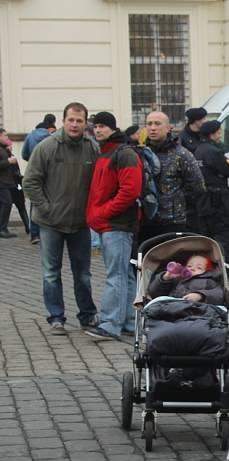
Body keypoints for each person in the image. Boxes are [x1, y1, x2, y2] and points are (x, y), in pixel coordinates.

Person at [22, 102, 99, 335]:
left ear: (85, 123)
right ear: (63, 121)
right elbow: (30, 182)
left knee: (83, 274)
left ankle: (87, 316)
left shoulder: (92, 149)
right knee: (51, 273)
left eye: (79, 120)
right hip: (50, 223)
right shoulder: (46, 147)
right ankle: (56, 318)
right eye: (70, 120)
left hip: (80, 224)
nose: (74, 124)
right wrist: (46, 208)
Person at [84, 112, 142, 342]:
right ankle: (127, 321)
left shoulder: (123, 153)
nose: (98, 130)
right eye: (96, 126)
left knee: (115, 275)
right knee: (124, 274)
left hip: (117, 224)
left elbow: (130, 191)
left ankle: (110, 324)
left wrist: (103, 213)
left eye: (102, 126)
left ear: (112, 128)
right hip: (113, 223)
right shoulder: (107, 151)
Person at [140, 111, 206, 243]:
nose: (153, 128)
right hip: (146, 221)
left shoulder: (181, 154)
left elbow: (198, 186)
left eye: (157, 124)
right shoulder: (141, 154)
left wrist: (177, 201)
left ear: (168, 127)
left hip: (173, 222)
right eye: (149, 124)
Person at [193, 120, 229, 280]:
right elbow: (228, 169)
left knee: (205, 234)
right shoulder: (213, 151)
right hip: (218, 198)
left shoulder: (197, 150)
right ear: (212, 134)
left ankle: (206, 266)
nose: (220, 135)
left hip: (202, 198)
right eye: (218, 132)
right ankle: (225, 266)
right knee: (223, 233)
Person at [21, 113, 56, 245]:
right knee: (51, 198)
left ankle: (34, 234)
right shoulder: (52, 136)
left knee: (35, 200)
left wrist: (32, 161)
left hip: (34, 172)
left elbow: (24, 154)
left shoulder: (31, 135)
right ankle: (51, 231)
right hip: (50, 173)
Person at [148, 254, 224, 305]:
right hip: (171, 308)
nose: (192, 268)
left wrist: (200, 296)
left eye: (199, 267)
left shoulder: (209, 280)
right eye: (189, 266)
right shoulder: (177, 278)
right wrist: (165, 278)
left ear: (207, 271)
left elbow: (219, 294)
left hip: (197, 310)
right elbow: (154, 293)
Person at [0, 128, 22, 238]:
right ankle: (2, 228)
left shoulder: (4, 148)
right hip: (1, 183)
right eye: (5, 135)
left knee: (4, 204)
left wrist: (9, 152)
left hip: (7, 181)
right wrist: (8, 161)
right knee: (7, 203)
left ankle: (3, 228)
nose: (7, 138)